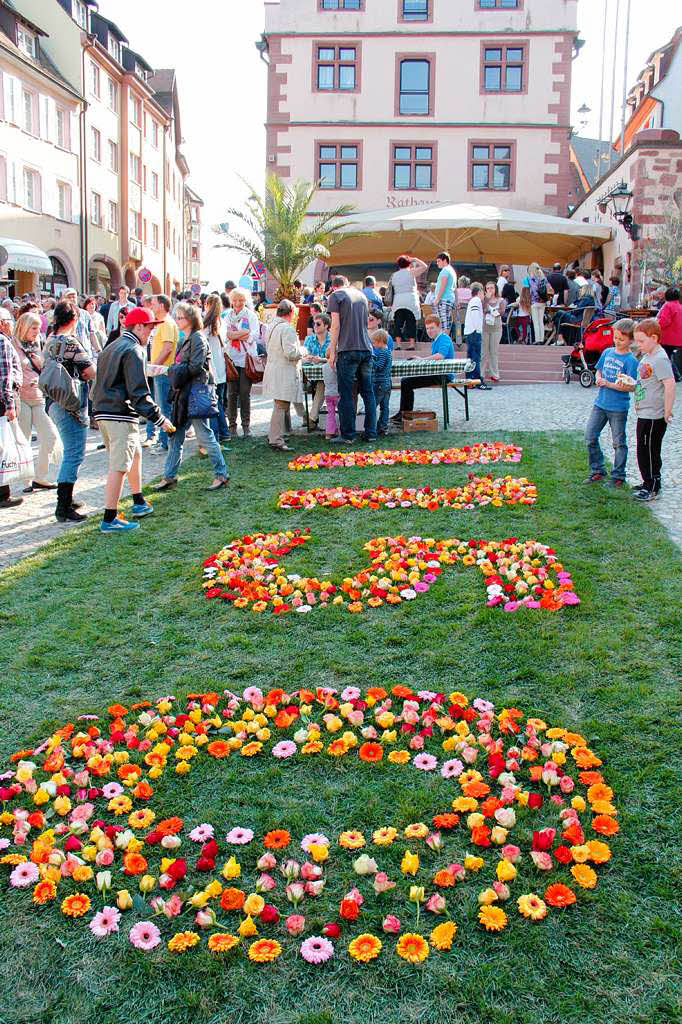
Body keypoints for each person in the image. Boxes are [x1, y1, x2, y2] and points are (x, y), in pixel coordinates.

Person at [93, 308, 173, 532]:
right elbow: (139, 394)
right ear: (138, 326)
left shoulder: (113, 346)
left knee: (134, 455)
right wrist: (160, 419)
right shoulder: (134, 349)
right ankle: (109, 518)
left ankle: (138, 501)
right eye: (150, 327)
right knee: (120, 465)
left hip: (105, 411)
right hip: (119, 413)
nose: (152, 332)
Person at [155, 302, 229, 492]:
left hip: (195, 394)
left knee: (205, 436)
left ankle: (221, 474)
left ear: (190, 319)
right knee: (175, 437)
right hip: (184, 395)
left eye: (180, 317)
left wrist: (171, 370)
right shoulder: (186, 339)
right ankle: (169, 476)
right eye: (177, 317)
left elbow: (196, 366)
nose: (177, 320)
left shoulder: (197, 338)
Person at [46, 301, 96, 522]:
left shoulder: (49, 340)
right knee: (74, 453)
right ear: (74, 319)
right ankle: (63, 506)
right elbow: (90, 371)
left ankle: (67, 498)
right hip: (70, 403)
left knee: (70, 451)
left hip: (53, 400)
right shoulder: (70, 342)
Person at [584, 319, 639, 487]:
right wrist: (599, 378)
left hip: (618, 407)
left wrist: (609, 384)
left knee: (618, 443)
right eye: (615, 338)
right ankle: (598, 469)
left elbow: (630, 387)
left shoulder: (631, 361)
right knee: (590, 436)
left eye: (621, 339)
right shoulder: (607, 352)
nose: (617, 341)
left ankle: (618, 475)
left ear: (631, 340)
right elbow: (599, 369)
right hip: (600, 403)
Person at [12, 312, 61, 493]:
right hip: (21, 398)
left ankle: (40, 476)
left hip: (39, 397)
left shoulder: (38, 344)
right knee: (23, 440)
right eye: (33, 328)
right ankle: (26, 479)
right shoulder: (12, 344)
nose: (36, 331)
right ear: (24, 326)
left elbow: (44, 366)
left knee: (50, 436)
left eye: (38, 327)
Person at [327, 275, 377, 444]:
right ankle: (371, 433)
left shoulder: (336, 296)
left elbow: (335, 325)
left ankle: (348, 435)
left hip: (347, 350)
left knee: (346, 393)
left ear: (334, 287)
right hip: (366, 349)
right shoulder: (362, 295)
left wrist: (332, 352)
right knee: (368, 392)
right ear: (347, 283)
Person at [632, 318, 675, 501]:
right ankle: (647, 480)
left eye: (642, 341)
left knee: (649, 449)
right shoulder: (648, 355)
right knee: (642, 448)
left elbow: (670, 384)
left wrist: (667, 410)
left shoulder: (660, 358)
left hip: (654, 415)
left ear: (655, 338)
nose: (638, 345)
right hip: (644, 411)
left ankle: (653, 485)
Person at [262, 299, 307, 452]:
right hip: (283, 372)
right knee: (281, 406)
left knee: (279, 405)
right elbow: (291, 353)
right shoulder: (287, 328)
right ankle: (276, 439)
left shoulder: (271, 326)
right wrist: (304, 350)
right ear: (291, 313)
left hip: (274, 369)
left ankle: (276, 435)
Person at [393, 313, 455, 421]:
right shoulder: (437, 340)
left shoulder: (444, 338)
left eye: (432, 328)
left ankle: (404, 414)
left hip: (444, 375)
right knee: (407, 380)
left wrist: (421, 360)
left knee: (406, 382)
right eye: (427, 329)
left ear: (439, 326)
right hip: (437, 373)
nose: (429, 331)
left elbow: (440, 356)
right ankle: (404, 413)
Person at [225, 287, 260, 438]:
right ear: (231, 301)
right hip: (232, 358)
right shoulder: (227, 316)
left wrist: (235, 335)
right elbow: (226, 334)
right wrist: (241, 334)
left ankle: (246, 426)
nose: (237, 303)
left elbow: (253, 335)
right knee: (232, 394)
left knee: (245, 393)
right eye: (235, 300)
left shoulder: (251, 316)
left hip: (246, 359)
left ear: (245, 300)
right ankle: (232, 426)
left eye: (240, 300)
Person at [147, 294, 180, 453]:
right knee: (164, 407)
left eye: (153, 304)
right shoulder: (163, 323)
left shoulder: (166, 323)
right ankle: (165, 440)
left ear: (161, 305)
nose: (151, 306)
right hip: (162, 370)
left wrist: (154, 366)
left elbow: (167, 348)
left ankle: (165, 441)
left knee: (164, 408)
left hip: (163, 371)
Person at [0, 309, 24, 508]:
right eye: (10, 320)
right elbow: (5, 377)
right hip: (2, 403)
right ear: (2, 323)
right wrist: (9, 405)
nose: (12, 323)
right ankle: (3, 494)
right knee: (3, 448)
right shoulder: (3, 342)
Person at [202, 294, 230, 445]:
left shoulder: (207, 323)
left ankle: (218, 433)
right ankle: (224, 432)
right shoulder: (221, 322)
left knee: (213, 402)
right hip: (220, 366)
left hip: (211, 366)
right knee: (218, 400)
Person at [389, 254, 428, 351]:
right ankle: (411, 345)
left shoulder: (394, 275)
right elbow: (424, 267)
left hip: (398, 300)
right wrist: (415, 259)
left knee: (398, 323)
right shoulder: (411, 272)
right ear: (408, 263)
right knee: (411, 322)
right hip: (410, 300)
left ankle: (398, 344)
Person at [304, 311, 331, 429]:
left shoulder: (332, 339)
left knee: (322, 383)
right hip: (310, 375)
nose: (314, 326)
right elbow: (304, 356)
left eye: (318, 324)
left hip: (327, 376)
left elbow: (335, 358)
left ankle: (312, 418)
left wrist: (322, 360)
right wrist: (308, 358)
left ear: (326, 326)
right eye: (314, 324)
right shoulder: (309, 340)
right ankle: (306, 417)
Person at [464, 283, 490, 388]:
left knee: (471, 358)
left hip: (470, 332)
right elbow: (475, 316)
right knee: (476, 357)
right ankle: (477, 380)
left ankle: (470, 381)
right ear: (479, 292)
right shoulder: (476, 300)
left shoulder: (473, 301)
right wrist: (478, 329)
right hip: (474, 332)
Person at [481, 281, 506, 383]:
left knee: (494, 352)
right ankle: (481, 373)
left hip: (496, 328)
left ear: (495, 289)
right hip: (485, 328)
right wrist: (486, 299)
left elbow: (502, 311)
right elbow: (482, 308)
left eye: (492, 288)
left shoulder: (501, 300)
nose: (490, 290)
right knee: (483, 352)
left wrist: (491, 311)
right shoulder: (483, 300)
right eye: (488, 288)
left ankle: (494, 374)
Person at [522, 263, 551, 345]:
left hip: (534, 302)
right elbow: (549, 289)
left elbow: (530, 291)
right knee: (541, 321)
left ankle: (538, 340)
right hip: (543, 302)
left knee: (536, 322)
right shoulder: (543, 278)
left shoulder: (528, 279)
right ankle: (542, 339)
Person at [657, 287, 682, 381]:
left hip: (668, 337)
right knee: (669, 357)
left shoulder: (668, 306)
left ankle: (676, 375)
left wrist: (656, 324)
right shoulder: (680, 306)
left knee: (664, 357)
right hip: (678, 337)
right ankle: (676, 375)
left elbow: (664, 321)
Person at [371, 329, 393, 436]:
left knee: (373, 405)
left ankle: (372, 428)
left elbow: (379, 366)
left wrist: (371, 360)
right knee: (385, 406)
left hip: (380, 383)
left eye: (374, 342)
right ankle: (383, 427)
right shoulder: (388, 351)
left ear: (380, 342)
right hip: (387, 383)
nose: (373, 344)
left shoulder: (383, 352)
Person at [433, 251, 457, 337]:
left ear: (444, 260)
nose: (437, 263)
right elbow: (455, 288)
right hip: (449, 299)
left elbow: (443, 286)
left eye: (438, 261)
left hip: (444, 299)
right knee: (447, 321)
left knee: (443, 322)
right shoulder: (452, 271)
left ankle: (444, 341)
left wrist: (437, 299)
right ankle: (445, 340)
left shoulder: (445, 270)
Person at [322, 357, 339, 441]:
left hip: (327, 393)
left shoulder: (324, 366)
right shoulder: (337, 366)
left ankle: (329, 433)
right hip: (337, 393)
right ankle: (341, 431)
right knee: (342, 413)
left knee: (330, 413)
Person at [455, 275, 472, 346]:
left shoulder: (456, 291)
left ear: (460, 283)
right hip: (467, 315)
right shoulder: (470, 292)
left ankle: (458, 341)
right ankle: (468, 339)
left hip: (457, 313)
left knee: (458, 325)